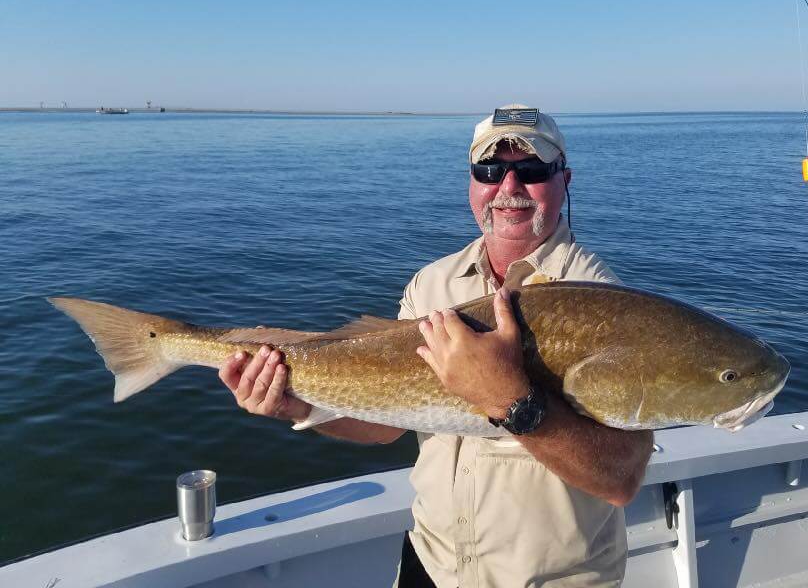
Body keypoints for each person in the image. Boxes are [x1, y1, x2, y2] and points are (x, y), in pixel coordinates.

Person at [219, 105, 654, 587]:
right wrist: (292, 402)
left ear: (564, 180)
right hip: (431, 564)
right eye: (489, 170)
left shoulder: (605, 301)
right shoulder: (432, 284)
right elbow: (384, 426)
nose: (509, 188)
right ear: (471, 181)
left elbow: (621, 478)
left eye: (530, 170)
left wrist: (511, 401)